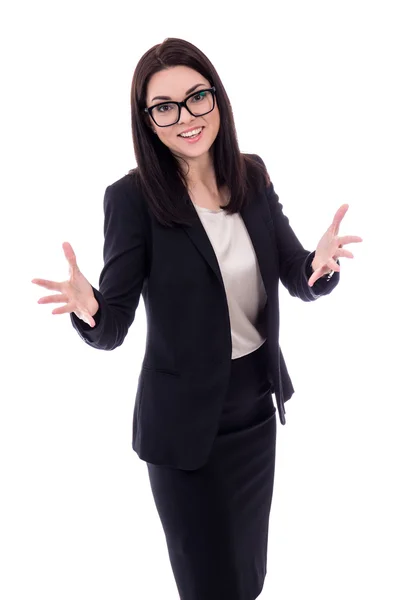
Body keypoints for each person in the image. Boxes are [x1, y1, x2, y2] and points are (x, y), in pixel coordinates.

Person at [32, 37, 362, 600]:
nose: (185, 117)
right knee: (209, 584)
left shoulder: (252, 177)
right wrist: (89, 307)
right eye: (164, 106)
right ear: (147, 120)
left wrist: (319, 266)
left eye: (196, 97)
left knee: (248, 577)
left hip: (254, 412)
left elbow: (293, 271)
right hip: (184, 431)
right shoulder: (132, 199)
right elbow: (112, 325)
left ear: (217, 99)